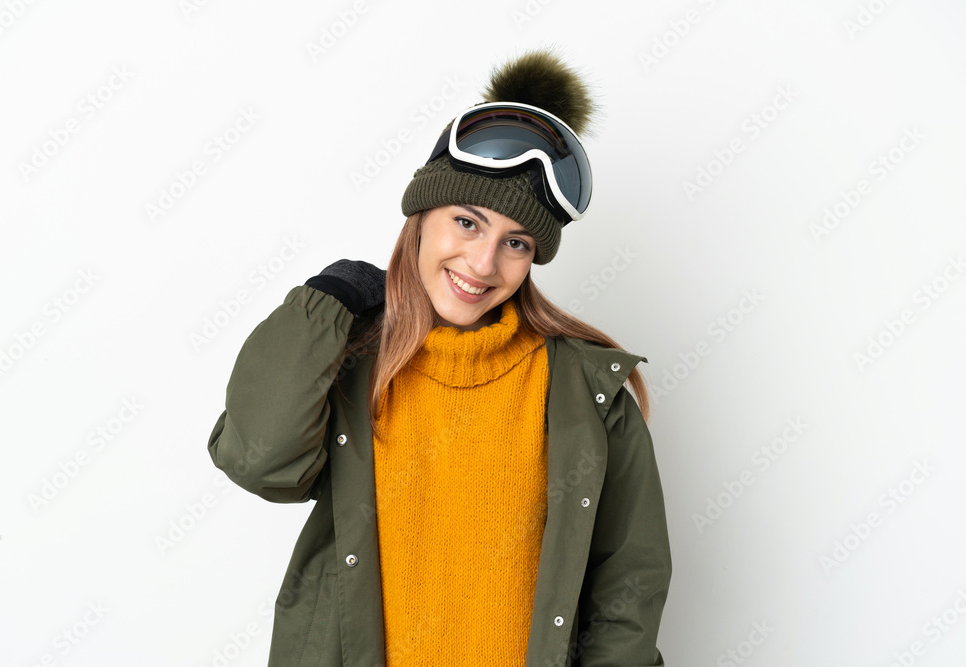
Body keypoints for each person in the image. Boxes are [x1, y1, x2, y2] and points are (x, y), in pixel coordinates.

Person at [208, 49, 672, 666]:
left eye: (516, 242)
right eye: (467, 222)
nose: (483, 263)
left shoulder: (588, 391)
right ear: (422, 216)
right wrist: (326, 303)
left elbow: (628, 583)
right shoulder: (349, 360)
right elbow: (260, 462)